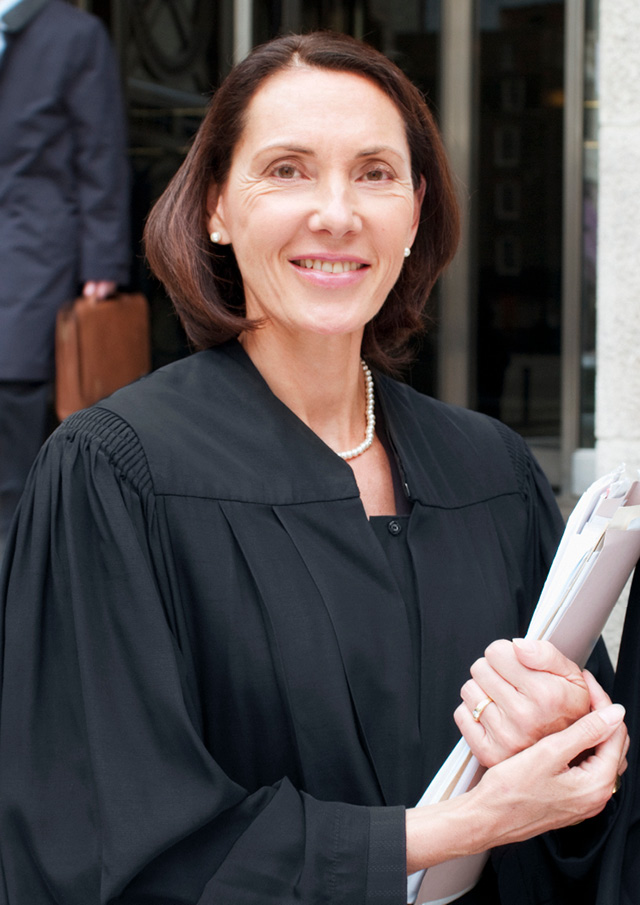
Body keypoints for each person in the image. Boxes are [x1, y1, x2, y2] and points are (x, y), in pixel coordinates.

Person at [0, 31, 632, 905]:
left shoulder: (489, 470)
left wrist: (575, 740)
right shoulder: (113, 476)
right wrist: (468, 822)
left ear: (414, 213)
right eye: (288, 169)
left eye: (374, 173)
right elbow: (104, 840)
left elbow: (597, 817)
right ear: (217, 206)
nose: (336, 213)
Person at [0, 0, 130, 561]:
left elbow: (100, 149)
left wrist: (102, 261)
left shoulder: (74, 34)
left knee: (14, 396)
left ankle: (15, 572)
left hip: (33, 247)